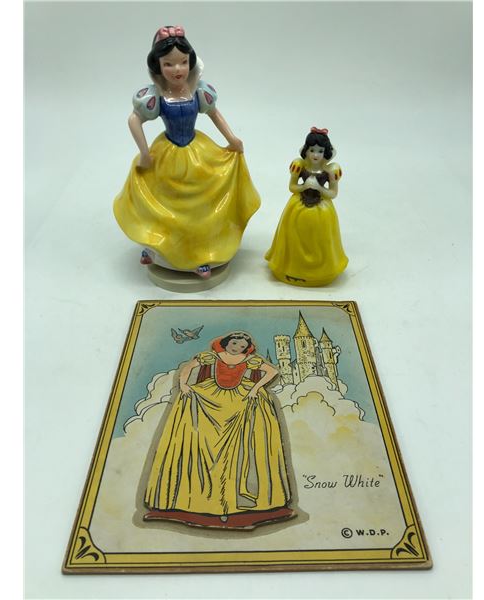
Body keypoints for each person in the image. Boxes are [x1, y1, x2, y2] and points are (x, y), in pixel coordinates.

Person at [114, 26, 260, 279]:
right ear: (158, 66)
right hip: (168, 154)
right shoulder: (156, 95)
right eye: (168, 64)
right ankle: (157, 247)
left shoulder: (198, 91)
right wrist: (144, 152)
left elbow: (215, 114)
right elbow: (134, 120)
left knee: (199, 207)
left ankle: (201, 252)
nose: (177, 69)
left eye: (183, 62)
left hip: (196, 152)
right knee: (162, 202)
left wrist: (232, 139)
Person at [143, 332, 295, 529]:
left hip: (240, 402)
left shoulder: (250, 360)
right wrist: (183, 385)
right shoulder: (211, 357)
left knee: (240, 449)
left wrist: (255, 388)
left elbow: (272, 372)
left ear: (246, 349)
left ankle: (237, 502)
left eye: (242, 346)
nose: (237, 348)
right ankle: (196, 502)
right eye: (234, 343)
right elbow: (188, 368)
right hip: (209, 398)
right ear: (226, 342)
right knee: (200, 442)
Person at [265, 127, 348, 286]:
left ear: (326, 152)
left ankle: (319, 272)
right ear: (306, 151)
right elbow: (292, 187)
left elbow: (333, 193)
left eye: (320, 151)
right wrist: (304, 187)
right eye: (312, 150)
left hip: (321, 210)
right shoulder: (300, 166)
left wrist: (319, 188)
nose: (316, 155)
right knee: (293, 236)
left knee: (319, 239)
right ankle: (291, 268)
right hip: (298, 207)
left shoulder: (330, 171)